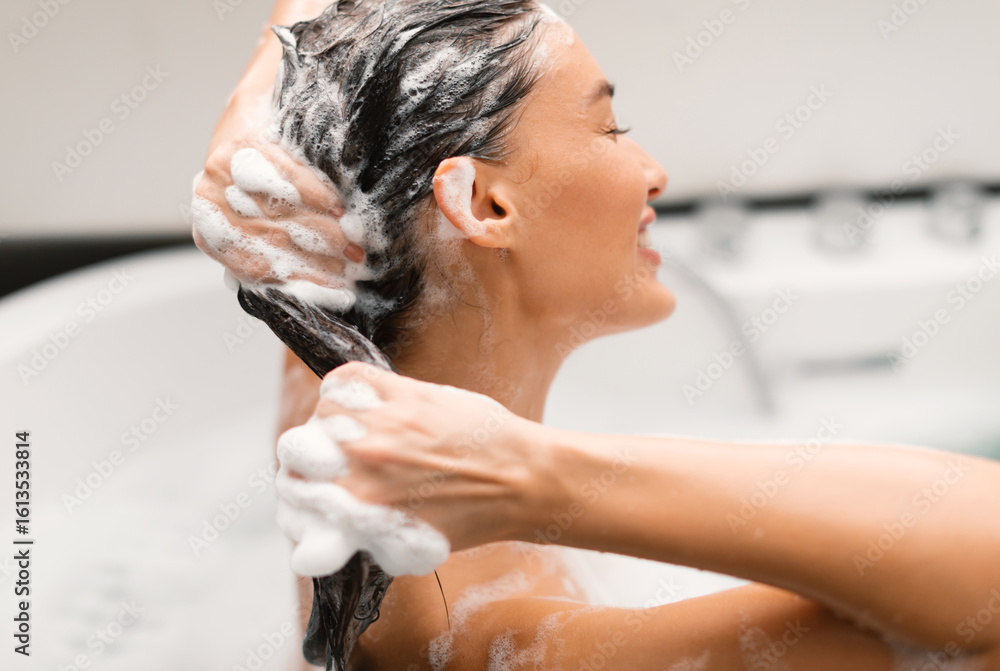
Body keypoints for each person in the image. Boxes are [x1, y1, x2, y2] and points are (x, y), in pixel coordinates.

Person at [193, 1, 1000, 668]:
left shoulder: (335, 369)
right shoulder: (485, 638)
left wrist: (261, 107)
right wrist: (537, 479)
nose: (654, 171)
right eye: (612, 128)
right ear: (485, 206)